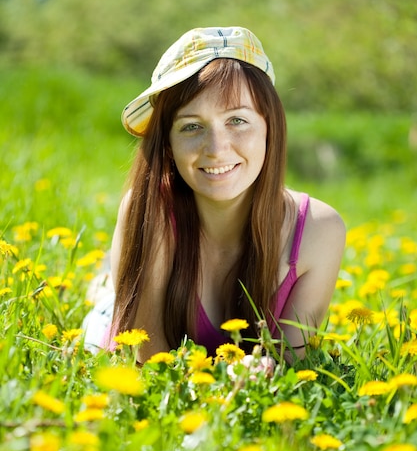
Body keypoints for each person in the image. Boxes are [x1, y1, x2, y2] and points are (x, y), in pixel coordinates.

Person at [83, 26, 346, 363]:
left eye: (237, 120)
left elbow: (292, 366)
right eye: (191, 126)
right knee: (103, 314)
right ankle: (107, 288)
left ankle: (106, 279)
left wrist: (267, 373)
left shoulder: (318, 230)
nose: (217, 149)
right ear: (167, 145)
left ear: (270, 128)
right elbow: (148, 364)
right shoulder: (149, 209)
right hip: (119, 332)